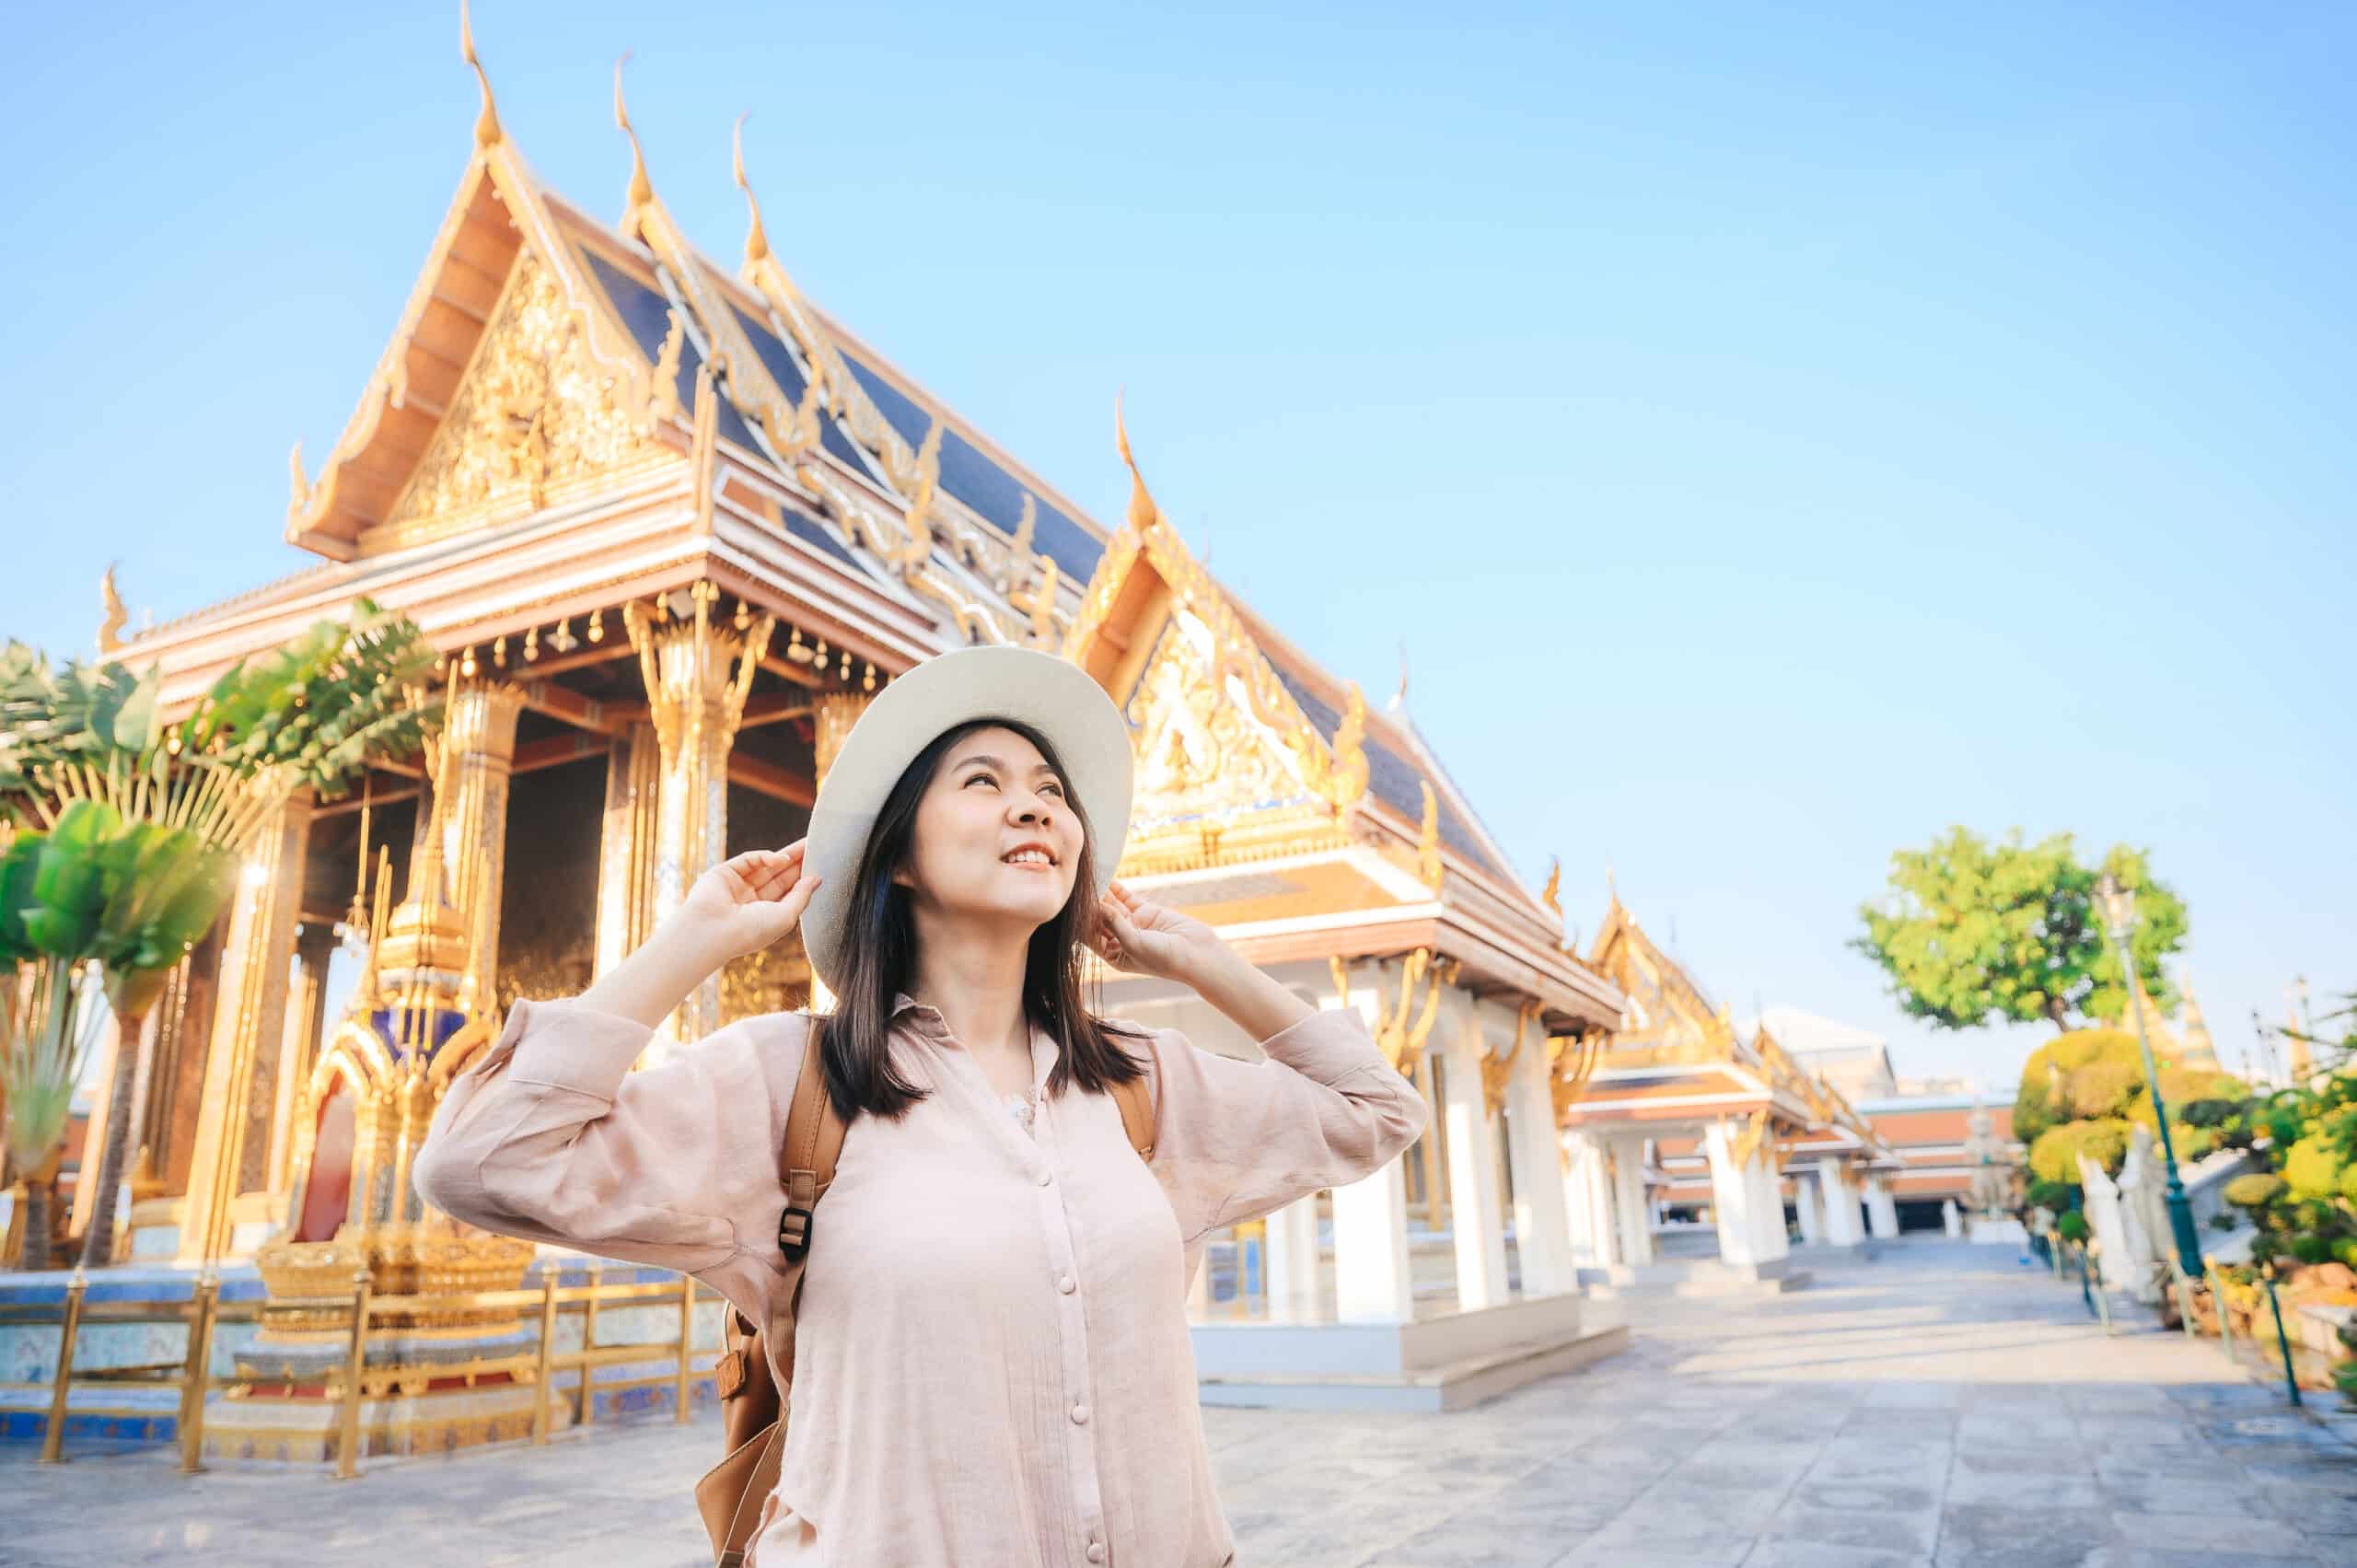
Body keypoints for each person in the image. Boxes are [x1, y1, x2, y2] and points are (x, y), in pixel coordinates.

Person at [412, 645, 1430, 1566]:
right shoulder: (791, 1086)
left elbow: (1377, 1109)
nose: (1033, 808)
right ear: (899, 855)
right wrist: (691, 940)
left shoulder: (1136, 1084)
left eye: (1049, 791)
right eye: (983, 784)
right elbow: (479, 1159)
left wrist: (1201, 956)